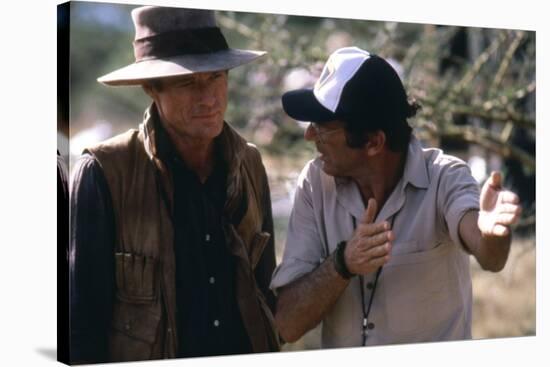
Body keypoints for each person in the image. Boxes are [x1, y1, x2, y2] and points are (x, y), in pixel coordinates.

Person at [270, 47, 522, 348]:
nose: (309, 136)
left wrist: (493, 233)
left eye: (322, 126)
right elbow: (286, 324)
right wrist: (342, 263)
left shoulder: (445, 177)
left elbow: (487, 253)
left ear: (374, 142)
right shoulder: (314, 183)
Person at [69, 6, 279, 363]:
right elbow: (82, 324)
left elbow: (264, 290)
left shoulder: (249, 163)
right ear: (152, 88)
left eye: (216, 77)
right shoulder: (105, 171)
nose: (208, 98)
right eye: (187, 82)